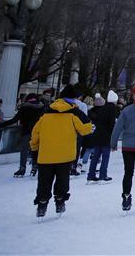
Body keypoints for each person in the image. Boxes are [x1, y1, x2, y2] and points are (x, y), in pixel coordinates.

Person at [29, 85, 95, 217]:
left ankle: (42, 203)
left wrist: (34, 149)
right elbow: (86, 128)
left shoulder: (46, 111)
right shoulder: (74, 113)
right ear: (73, 99)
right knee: (62, 180)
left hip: (46, 154)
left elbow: (35, 133)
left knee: (44, 181)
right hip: (65, 154)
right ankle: (60, 201)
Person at [0, 93, 44, 177]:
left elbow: (15, 119)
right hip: (38, 132)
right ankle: (35, 166)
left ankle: (22, 168)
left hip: (26, 131)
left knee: (24, 150)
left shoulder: (24, 107)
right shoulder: (42, 108)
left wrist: (2, 124)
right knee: (35, 149)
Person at [86, 92, 118, 183]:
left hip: (97, 134)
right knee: (105, 157)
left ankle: (91, 175)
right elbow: (112, 124)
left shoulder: (103, 108)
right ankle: (102, 175)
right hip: (106, 136)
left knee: (96, 156)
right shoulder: (112, 109)